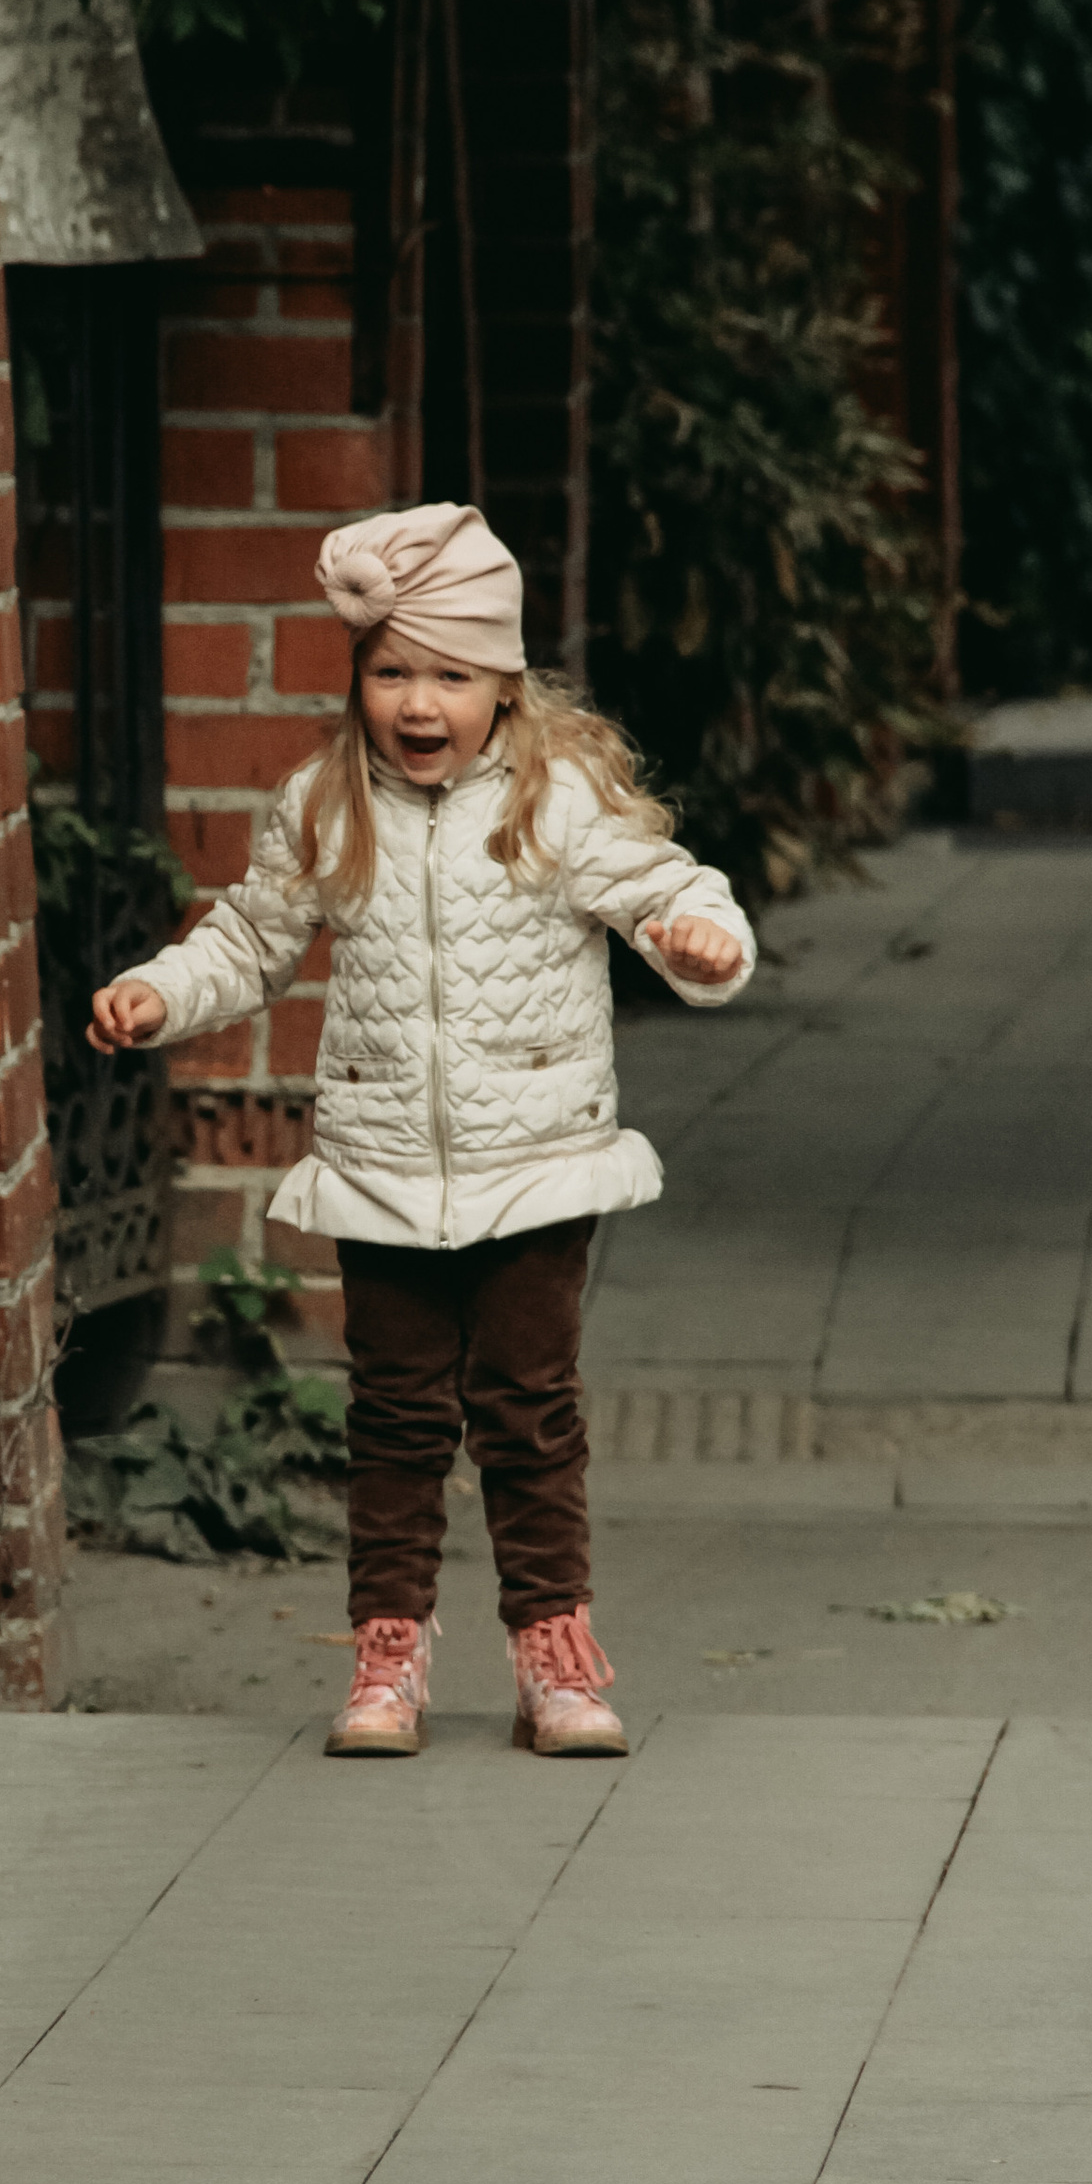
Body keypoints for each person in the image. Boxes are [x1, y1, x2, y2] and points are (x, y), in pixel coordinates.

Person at [89, 500, 755, 1759]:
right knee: (393, 1418)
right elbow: (249, 940)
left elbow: (663, 889)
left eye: (450, 675)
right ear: (358, 677)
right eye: (391, 672)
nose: (417, 703)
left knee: (529, 1413)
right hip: (384, 1169)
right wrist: (158, 993)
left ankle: (554, 1657)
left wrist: (698, 941)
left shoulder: (560, 800)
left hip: (538, 1167)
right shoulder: (325, 802)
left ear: (504, 683)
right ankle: (385, 1655)